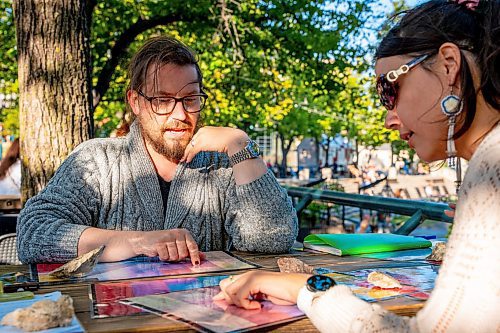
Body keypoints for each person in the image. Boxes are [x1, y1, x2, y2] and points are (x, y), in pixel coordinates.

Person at [215, 1, 500, 331]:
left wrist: (310, 289)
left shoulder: (490, 173)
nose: (388, 119)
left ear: (449, 65)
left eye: (389, 89)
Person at [17, 36, 298, 264]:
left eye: (190, 99)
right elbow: (33, 234)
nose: (180, 114)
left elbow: (273, 239)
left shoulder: (223, 165)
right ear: (135, 102)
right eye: (162, 100)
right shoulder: (97, 160)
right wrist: (140, 242)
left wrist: (240, 143)